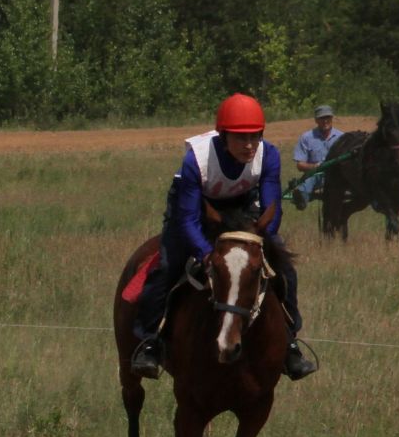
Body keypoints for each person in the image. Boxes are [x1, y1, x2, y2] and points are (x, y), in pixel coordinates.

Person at [127, 92, 316, 382]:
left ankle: (290, 344)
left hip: (241, 208)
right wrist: (206, 253)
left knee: (285, 268)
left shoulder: (270, 155)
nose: (250, 144)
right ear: (223, 136)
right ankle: (149, 342)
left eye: (255, 135)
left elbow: (271, 211)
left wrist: (258, 240)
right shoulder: (196, 160)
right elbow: (188, 220)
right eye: (241, 138)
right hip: (194, 211)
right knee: (167, 266)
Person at [288, 104, 342, 210]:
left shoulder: (342, 137)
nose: (325, 121)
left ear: (332, 118)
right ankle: (301, 197)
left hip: (337, 176)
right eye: (322, 118)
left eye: (327, 117)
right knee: (313, 175)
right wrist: (315, 166)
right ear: (316, 120)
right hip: (316, 176)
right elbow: (300, 165)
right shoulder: (306, 138)